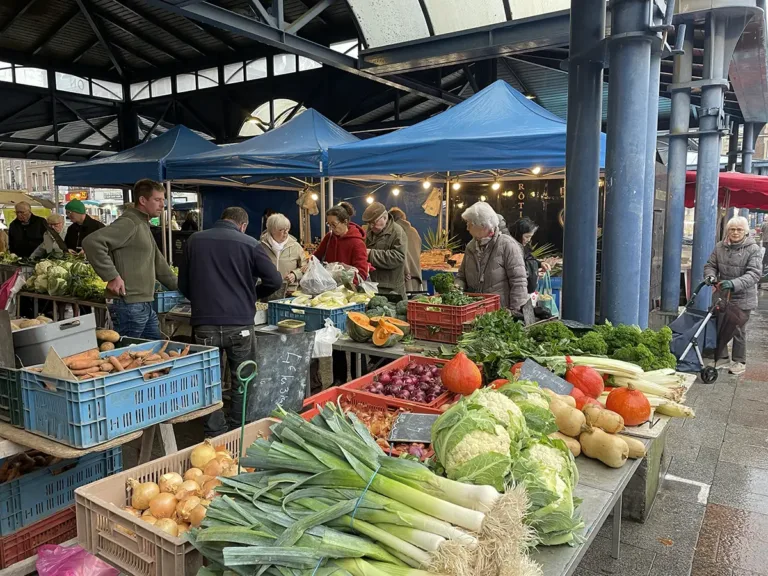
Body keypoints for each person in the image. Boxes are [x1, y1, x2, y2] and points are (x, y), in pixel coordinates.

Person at [178, 206, 283, 435]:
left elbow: (182, 283)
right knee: (243, 379)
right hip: (240, 324)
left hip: (204, 323)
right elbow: (275, 280)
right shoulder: (250, 244)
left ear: (222, 218)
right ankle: (239, 430)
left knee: (208, 380)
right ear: (243, 225)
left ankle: (214, 433)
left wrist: (201, 299)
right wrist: (253, 294)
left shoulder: (194, 240)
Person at [83, 179, 178, 339]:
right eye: (157, 200)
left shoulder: (143, 224)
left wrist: (183, 287)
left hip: (144, 303)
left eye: (163, 200)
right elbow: (91, 242)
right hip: (128, 303)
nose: (162, 205)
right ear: (142, 200)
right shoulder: (130, 222)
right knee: (128, 352)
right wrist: (112, 276)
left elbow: (159, 264)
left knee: (154, 350)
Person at [703, 215, 762, 375]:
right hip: (723, 294)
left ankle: (739, 361)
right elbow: (710, 265)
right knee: (720, 325)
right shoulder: (720, 247)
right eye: (732, 229)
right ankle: (722, 357)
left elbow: (754, 274)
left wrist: (734, 283)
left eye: (739, 230)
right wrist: (710, 276)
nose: (735, 232)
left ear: (745, 232)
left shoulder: (753, 249)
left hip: (743, 297)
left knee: (738, 329)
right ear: (727, 231)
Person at [456, 201, 528, 311]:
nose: (467, 228)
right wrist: (456, 287)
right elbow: (461, 277)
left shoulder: (507, 245)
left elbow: (519, 282)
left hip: (500, 313)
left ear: (483, 225)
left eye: (470, 223)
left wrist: (515, 312)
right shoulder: (470, 247)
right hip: (474, 312)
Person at [363, 202, 407, 299]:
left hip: (391, 290)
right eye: (369, 223)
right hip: (371, 285)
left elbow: (399, 257)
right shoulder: (369, 231)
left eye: (374, 222)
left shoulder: (397, 232)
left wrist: (371, 254)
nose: (371, 226)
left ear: (385, 217)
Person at [313, 203, 369, 278]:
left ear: (345, 222)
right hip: (327, 282)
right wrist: (310, 263)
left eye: (334, 224)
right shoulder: (329, 237)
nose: (331, 228)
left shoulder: (357, 243)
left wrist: (343, 279)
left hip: (347, 284)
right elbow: (317, 256)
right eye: (329, 224)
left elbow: (361, 273)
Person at [260, 213, 307, 295]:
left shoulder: (296, 246)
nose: (286, 233)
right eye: (281, 230)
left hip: (289, 292)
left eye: (287, 229)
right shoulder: (260, 247)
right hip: (266, 292)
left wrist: (295, 274)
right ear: (272, 230)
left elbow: (305, 267)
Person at [510, 217, 550, 295]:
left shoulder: (524, 247)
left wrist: (540, 264)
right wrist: (533, 274)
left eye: (530, 237)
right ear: (518, 234)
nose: (529, 240)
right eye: (527, 237)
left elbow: (529, 258)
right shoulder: (512, 248)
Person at [389, 207, 422, 293]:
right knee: (415, 300)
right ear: (403, 218)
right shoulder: (414, 231)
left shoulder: (393, 231)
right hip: (416, 277)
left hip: (401, 278)